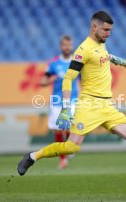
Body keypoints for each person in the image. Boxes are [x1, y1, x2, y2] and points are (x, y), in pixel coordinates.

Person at [17, 11, 126, 197]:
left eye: (110, 30)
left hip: (107, 106)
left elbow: (100, 56)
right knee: (71, 147)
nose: (108, 33)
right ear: (94, 27)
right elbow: (68, 79)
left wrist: (114, 59)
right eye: (106, 30)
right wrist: (67, 107)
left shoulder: (101, 45)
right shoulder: (83, 49)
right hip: (89, 105)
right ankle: (32, 156)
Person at [40, 35, 79, 169]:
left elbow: (84, 80)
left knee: (69, 126)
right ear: (61, 46)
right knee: (57, 129)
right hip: (57, 101)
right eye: (64, 45)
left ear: (72, 46)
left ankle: (69, 146)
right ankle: (62, 160)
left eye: (69, 45)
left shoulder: (77, 62)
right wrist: (51, 79)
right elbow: (42, 81)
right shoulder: (53, 63)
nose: (67, 48)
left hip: (73, 99)